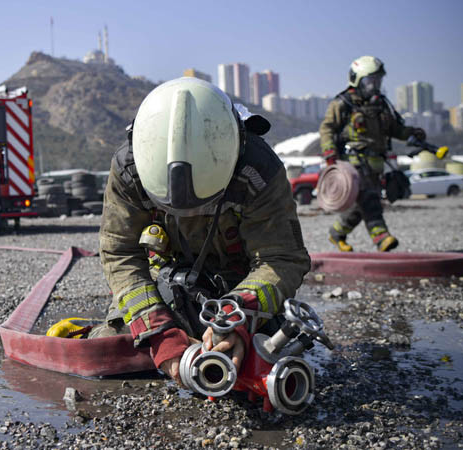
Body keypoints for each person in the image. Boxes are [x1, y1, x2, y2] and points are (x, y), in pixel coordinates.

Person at [94, 77, 310, 385]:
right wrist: (158, 330)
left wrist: (236, 316)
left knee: (263, 359)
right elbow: (120, 252)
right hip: (162, 285)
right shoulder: (131, 168)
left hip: (239, 286)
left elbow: (282, 258)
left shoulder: (258, 170)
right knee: (111, 348)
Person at [320, 56, 426, 252]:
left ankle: (336, 234)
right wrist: (330, 154)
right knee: (370, 200)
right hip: (353, 162)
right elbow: (327, 128)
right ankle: (381, 238)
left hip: (376, 163)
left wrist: (411, 132)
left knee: (359, 208)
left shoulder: (382, 105)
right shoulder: (343, 103)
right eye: (370, 81)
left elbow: (395, 129)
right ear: (357, 79)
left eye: (378, 80)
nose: (375, 85)